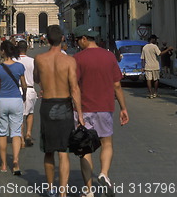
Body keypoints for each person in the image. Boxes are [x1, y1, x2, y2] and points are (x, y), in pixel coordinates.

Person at [74, 28, 129, 197]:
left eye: (78, 40)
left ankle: (89, 191)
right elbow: (117, 85)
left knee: (85, 149)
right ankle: (104, 173)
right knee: (107, 144)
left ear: (84, 39)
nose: (77, 43)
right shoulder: (109, 56)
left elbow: (73, 86)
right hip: (105, 107)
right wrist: (123, 108)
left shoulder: (77, 59)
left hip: (83, 109)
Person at [34, 25, 83, 197]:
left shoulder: (39, 59)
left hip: (47, 105)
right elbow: (75, 89)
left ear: (47, 40)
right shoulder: (70, 61)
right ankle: (63, 192)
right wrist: (80, 115)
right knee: (64, 151)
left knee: (49, 150)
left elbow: (36, 78)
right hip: (65, 105)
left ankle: (50, 188)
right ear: (62, 39)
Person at [0, 40, 27, 174]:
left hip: (2, 100)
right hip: (16, 99)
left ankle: (4, 165)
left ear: (3, 52)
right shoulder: (19, 67)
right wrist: (23, 95)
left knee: (2, 133)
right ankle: (16, 161)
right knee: (16, 132)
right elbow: (24, 84)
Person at [15, 40, 38, 147]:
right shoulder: (33, 61)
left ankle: (20, 137)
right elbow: (37, 76)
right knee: (30, 113)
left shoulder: (14, 60)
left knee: (19, 115)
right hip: (30, 88)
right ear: (27, 48)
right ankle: (28, 134)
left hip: (17, 89)